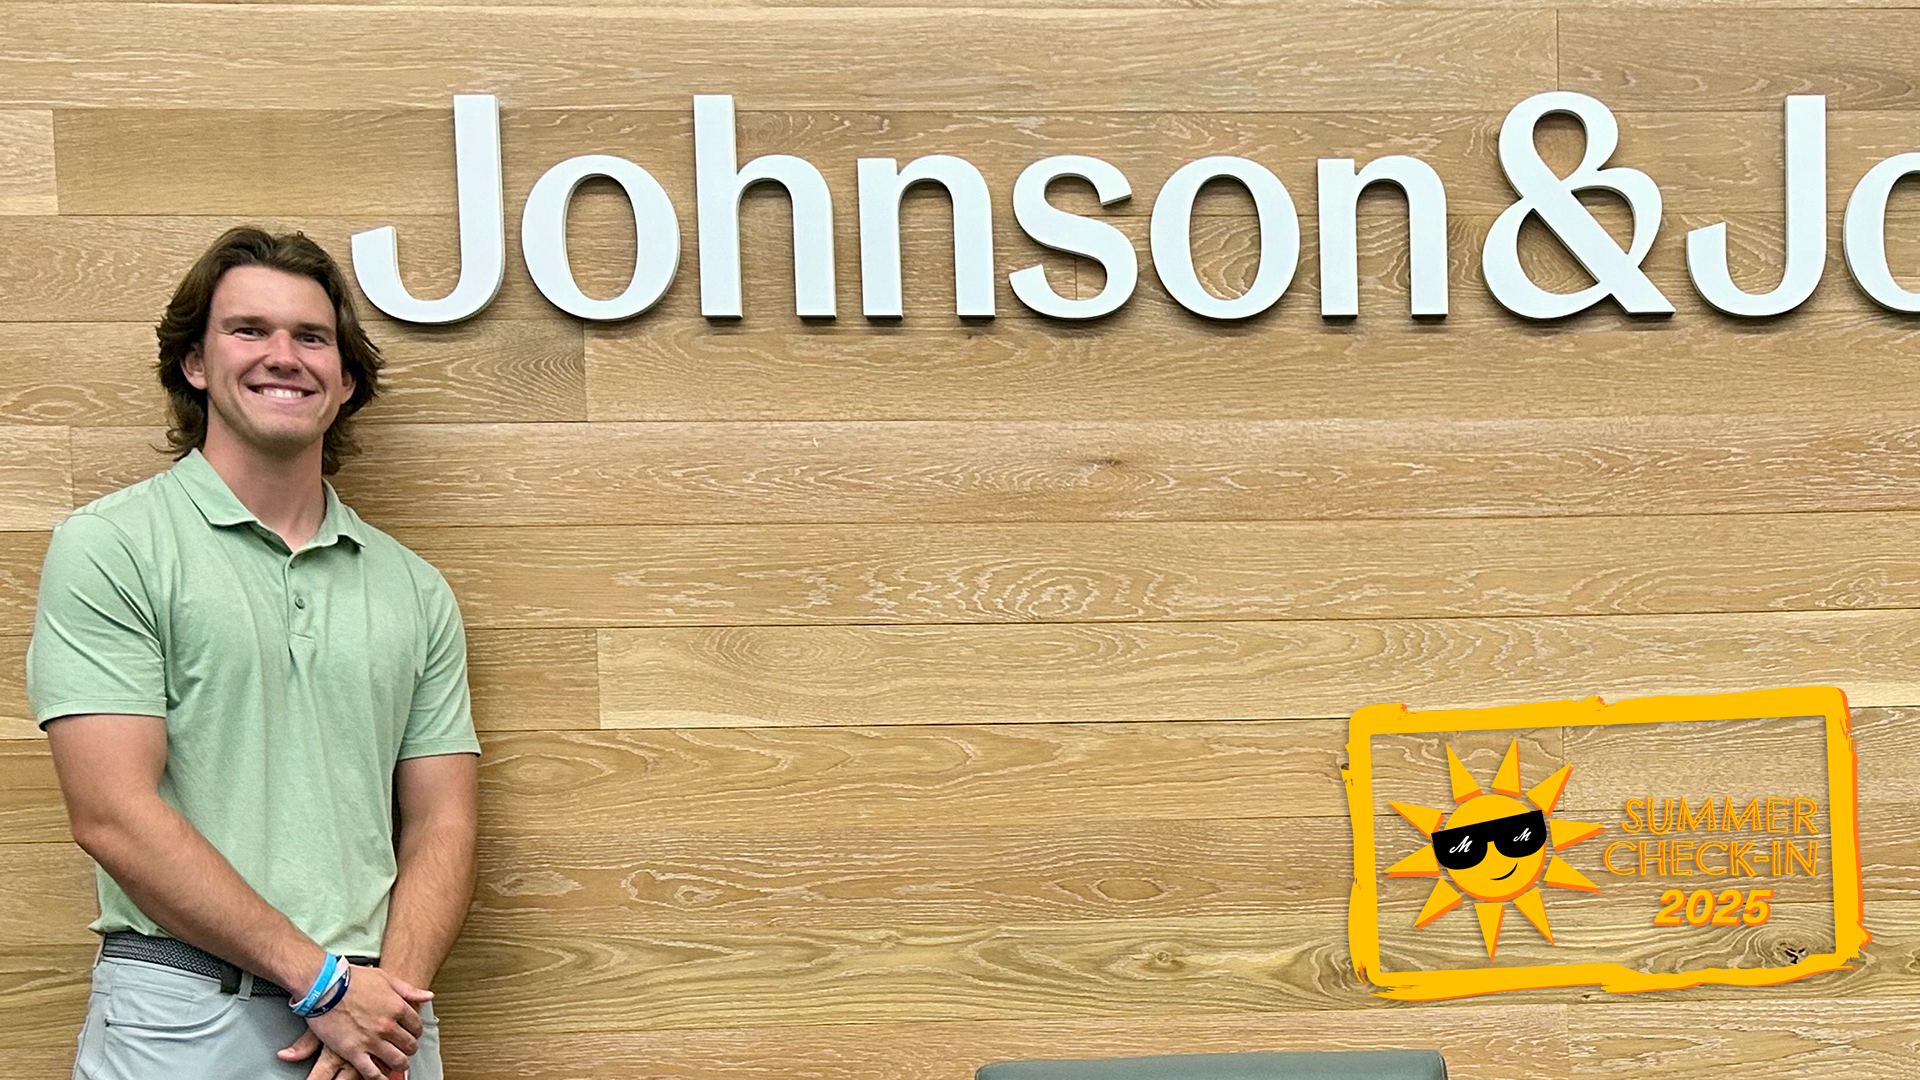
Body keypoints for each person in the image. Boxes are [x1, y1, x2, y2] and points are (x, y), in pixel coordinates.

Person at [28, 227, 481, 1080]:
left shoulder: (416, 589)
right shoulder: (112, 546)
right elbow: (110, 811)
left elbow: (442, 822)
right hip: (185, 1019)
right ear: (194, 364)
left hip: (381, 1026)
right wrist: (320, 986)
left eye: (313, 338)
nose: (284, 356)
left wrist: (383, 1004)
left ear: (345, 380)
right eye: (249, 330)